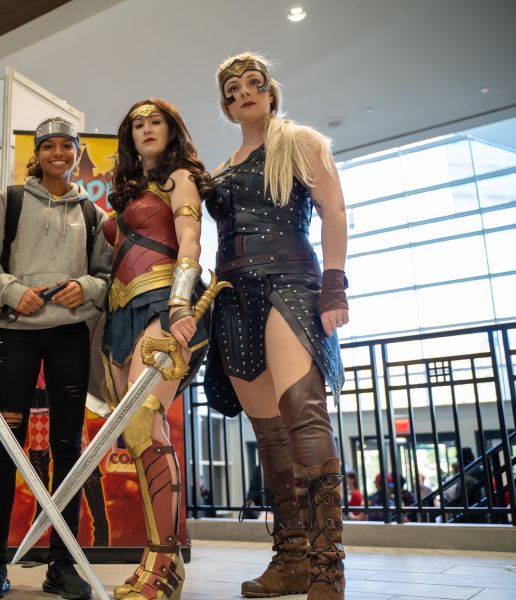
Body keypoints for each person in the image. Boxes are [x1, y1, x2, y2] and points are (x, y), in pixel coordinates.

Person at [203, 53, 349, 600]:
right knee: (267, 434)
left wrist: (334, 285)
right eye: (232, 89)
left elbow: (334, 211)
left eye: (253, 83)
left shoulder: (300, 141)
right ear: (226, 105)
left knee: (303, 414)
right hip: (232, 297)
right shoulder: (221, 168)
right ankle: (291, 559)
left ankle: (326, 568)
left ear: (270, 93)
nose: (243, 92)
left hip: (289, 280)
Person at [0, 117, 111, 600]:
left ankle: (62, 565)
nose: (58, 154)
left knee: (68, 450)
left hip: (69, 338)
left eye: (66, 146)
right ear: (37, 154)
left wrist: (86, 287)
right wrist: (14, 292)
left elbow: (105, 276)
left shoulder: (93, 214)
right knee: (6, 448)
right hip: (17, 338)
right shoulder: (9, 201)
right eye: (49, 146)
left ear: (77, 152)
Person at [101, 98, 212, 600]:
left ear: (172, 129)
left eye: (156, 121)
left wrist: (182, 301)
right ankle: (157, 558)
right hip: (121, 313)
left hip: (164, 302)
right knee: (137, 433)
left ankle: (164, 563)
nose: (146, 129)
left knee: (145, 420)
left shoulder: (178, 178)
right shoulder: (126, 192)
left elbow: (190, 241)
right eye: (138, 124)